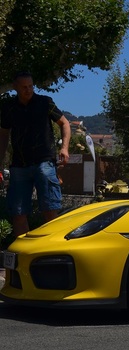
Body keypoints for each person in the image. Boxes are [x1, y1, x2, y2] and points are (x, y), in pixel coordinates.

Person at [0, 71, 70, 237]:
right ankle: (24, 250)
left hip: (44, 162)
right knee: (18, 212)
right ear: (15, 87)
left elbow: (64, 123)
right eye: (24, 87)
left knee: (50, 208)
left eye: (31, 86)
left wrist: (65, 148)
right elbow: (3, 135)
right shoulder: (8, 108)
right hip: (19, 165)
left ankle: (49, 249)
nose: (28, 90)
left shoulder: (44, 102)